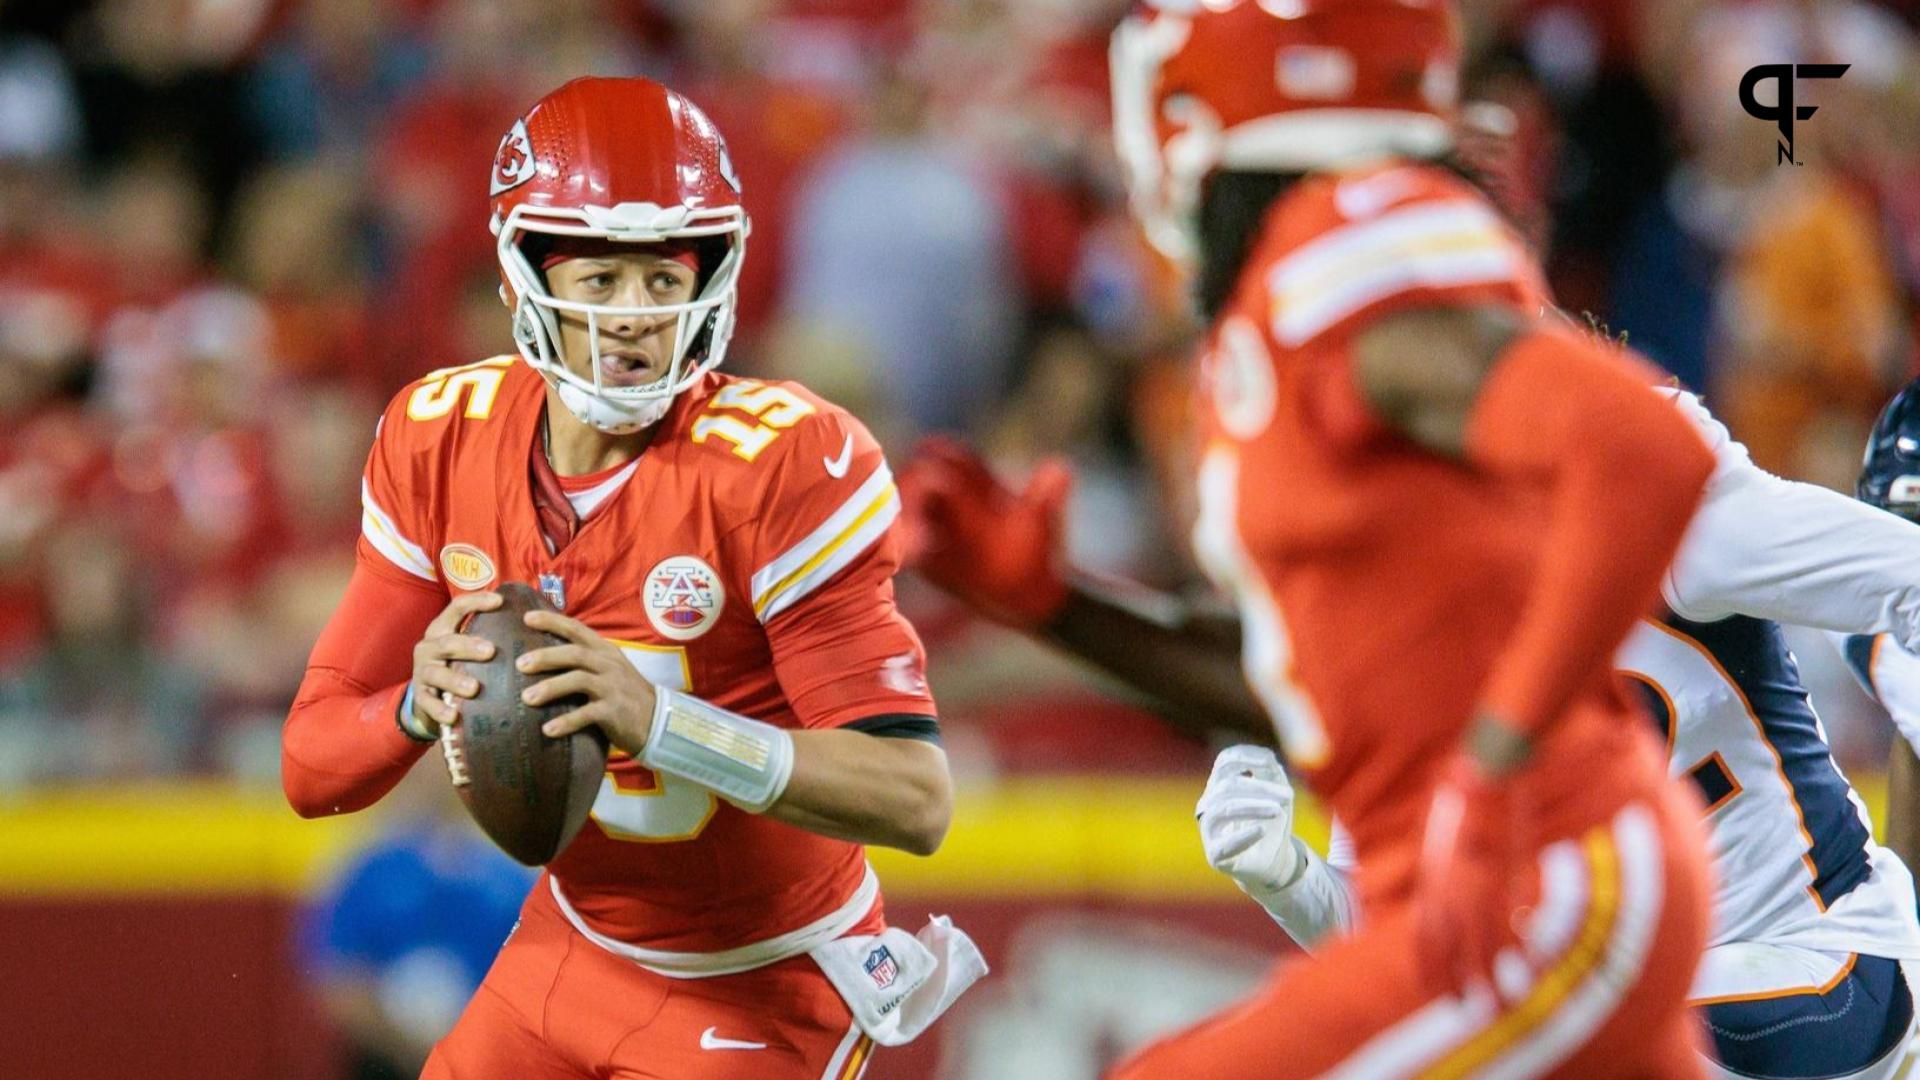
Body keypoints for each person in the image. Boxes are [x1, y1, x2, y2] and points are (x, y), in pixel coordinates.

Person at [911, 1, 1722, 1074]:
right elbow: (1309, 688)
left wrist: (1490, 768)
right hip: (1513, 878)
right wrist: (1056, 606)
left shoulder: (1346, 245)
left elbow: (1644, 452)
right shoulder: (1303, 292)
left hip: (1543, 873)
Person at [280, 76, 984, 1080]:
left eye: (662, 280)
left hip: (764, 980)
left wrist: (660, 726)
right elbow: (310, 767)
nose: (634, 317)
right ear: (526, 276)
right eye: (600, 280)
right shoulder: (442, 438)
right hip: (573, 948)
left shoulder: (783, 463)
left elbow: (915, 799)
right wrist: (411, 708)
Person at [1177, 380, 1920, 1079]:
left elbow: (1907, 573)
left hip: (1821, 968)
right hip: (1639, 994)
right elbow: (1405, 949)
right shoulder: (1389, 637)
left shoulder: (1648, 501)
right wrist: (1287, 878)